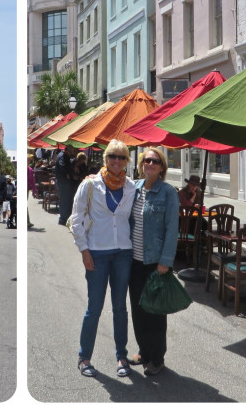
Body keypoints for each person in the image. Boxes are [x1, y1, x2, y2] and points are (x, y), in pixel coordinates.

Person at [71, 139, 136, 378]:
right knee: (94, 307)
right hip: (97, 252)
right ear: (105, 159)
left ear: (127, 161)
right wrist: (84, 251)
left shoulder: (130, 187)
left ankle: (121, 355)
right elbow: (76, 220)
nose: (116, 161)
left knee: (120, 307)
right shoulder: (90, 185)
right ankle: (84, 357)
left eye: (121, 157)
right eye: (113, 157)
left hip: (123, 253)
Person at [128, 148, 179, 376]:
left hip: (155, 263)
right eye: (146, 160)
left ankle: (157, 358)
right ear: (141, 164)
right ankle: (144, 351)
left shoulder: (168, 192)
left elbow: (172, 230)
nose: (150, 163)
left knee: (155, 314)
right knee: (138, 310)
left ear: (161, 167)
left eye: (155, 161)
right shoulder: (134, 189)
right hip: (133, 261)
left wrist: (165, 262)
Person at [55, 145, 77, 225]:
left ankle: (64, 218)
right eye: (70, 152)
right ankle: (63, 219)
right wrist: (68, 174)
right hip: (63, 181)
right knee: (65, 200)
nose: (70, 153)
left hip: (63, 181)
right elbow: (62, 166)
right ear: (67, 150)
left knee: (65, 200)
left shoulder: (62, 155)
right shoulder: (62, 156)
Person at [27, 154, 38, 229]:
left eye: (29, 160)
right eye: (28, 160)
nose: (29, 161)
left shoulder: (30, 170)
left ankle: (27, 221)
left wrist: (35, 191)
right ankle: (27, 221)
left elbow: (32, 181)